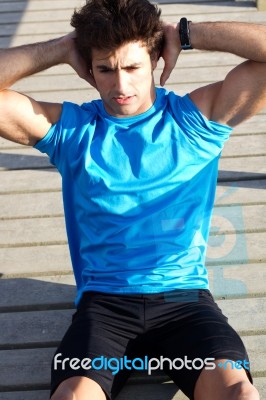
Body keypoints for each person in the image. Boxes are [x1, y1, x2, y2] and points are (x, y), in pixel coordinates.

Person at [0, 0, 265, 399]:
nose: (121, 86)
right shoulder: (73, 131)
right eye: (105, 70)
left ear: (157, 58)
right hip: (105, 307)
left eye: (133, 67)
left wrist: (188, 34)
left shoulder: (196, 120)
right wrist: (59, 48)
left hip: (185, 303)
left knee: (240, 394)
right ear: (88, 69)